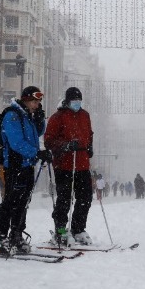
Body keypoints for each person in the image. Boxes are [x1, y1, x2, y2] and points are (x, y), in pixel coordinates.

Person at [0, 86, 51, 254]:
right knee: (10, 201)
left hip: (27, 165)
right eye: (34, 101)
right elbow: (16, 143)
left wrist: (40, 120)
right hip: (15, 165)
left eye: (39, 101)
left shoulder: (27, 116)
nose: (37, 104)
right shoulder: (13, 115)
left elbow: (36, 133)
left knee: (23, 202)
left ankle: (16, 235)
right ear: (26, 100)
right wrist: (37, 152)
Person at [44, 87, 95, 246]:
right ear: (67, 101)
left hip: (82, 164)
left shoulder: (85, 115)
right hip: (64, 165)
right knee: (64, 200)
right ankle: (60, 230)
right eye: (74, 101)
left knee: (85, 197)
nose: (77, 104)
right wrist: (66, 145)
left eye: (79, 101)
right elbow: (49, 140)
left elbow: (90, 134)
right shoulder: (58, 117)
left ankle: (78, 229)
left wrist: (89, 146)